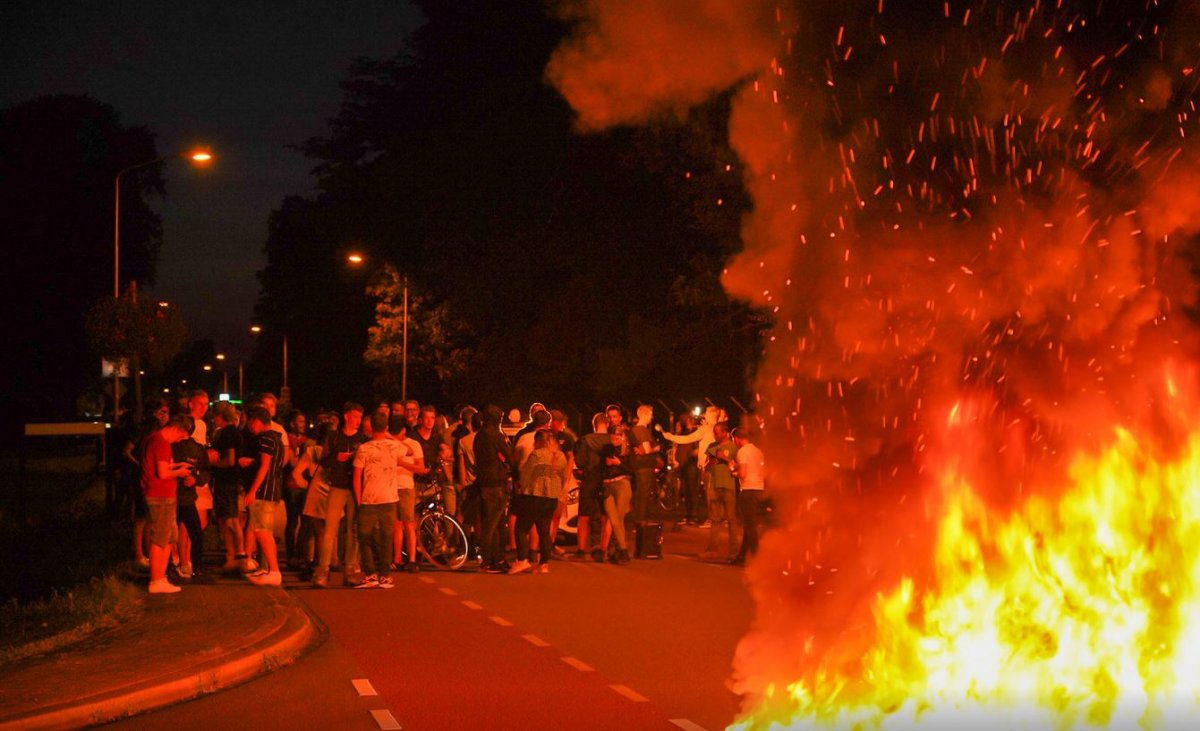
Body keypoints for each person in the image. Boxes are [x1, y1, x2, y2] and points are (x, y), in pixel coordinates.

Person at [313, 402, 367, 588]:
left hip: (355, 489)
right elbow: (324, 461)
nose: (358, 421)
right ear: (346, 417)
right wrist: (337, 458)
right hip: (338, 486)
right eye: (355, 416)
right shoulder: (334, 437)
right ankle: (323, 570)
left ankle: (350, 569)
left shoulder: (362, 439)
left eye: (360, 417)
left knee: (353, 529)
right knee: (330, 529)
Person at [141, 414, 193, 593]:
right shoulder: (161, 442)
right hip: (160, 495)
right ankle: (156, 580)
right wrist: (179, 473)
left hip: (164, 495)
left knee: (169, 537)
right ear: (177, 429)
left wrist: (176, 466)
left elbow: (161, 467)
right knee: (160, 538)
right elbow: (162, 474)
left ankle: (161, 578)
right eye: (181, 436)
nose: (180, 440)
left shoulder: (155, 440)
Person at [352, 411, 405, 589]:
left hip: (369, 498)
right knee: (386, 537)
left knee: (364, 537)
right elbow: (410, 450)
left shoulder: (364, 448)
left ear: (370, 427)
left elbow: (356, 477)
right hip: (390, 498)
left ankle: (370, 573)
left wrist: (359, 501)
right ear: (387, 427)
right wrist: (390, 436)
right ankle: (385, 575)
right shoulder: (393, 446)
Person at [509, 429, 568, 574]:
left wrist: (520, 487)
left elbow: (526, 475)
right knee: (544, 530)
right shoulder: (561, 456)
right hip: (551, 498)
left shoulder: (536, 454)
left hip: (534, 496)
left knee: (521, 528)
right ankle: (544, 563)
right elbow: (563, 476)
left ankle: (522, 560)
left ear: (539, 441)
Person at [244, 406, 286, 586]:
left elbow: (264, 466)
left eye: (249, 422)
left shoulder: (265, 439)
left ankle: (274, 571)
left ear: (255, 421)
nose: (248, 427)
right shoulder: (277, 438)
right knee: (262, 530)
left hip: (264, 492)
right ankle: (270, 570)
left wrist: (253, 490)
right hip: (273, 490)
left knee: (263, 532)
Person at [208, 401, 247, 572]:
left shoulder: (228, 434)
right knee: (226, 519)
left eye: (215, 416)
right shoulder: (235, 433)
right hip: (231, 482)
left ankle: (240, 555)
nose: (214, 420)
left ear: (220, 416)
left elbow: (230, 460)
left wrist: (212, 464)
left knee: (231, 520)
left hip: (227, 482)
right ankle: (232, 556)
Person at [474, 405, 513, 573]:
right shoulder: (495, 435)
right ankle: (489, 560)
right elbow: (510, 456)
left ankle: (497, 558)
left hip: (483, 482)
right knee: (493, 523)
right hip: (496, 483)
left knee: (492, 522)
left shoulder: (479, 436)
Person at [173, 415, 211, 579]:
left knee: (196, 533)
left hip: (187, 498)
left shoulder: (197, 449)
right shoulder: (170, 445)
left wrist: (196, 479)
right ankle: (172, 565)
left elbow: (206, 471)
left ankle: (197, 566)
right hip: (171, 496)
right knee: (169, 534)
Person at [388, 416, 425, 574]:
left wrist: (402, 463)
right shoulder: (389, 443)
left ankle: (411, 559)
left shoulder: (413, 444)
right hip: (390, 486)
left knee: (409, 524)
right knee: (396, 525)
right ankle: (397, 559)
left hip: (406, 486)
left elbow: (420, 467)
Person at [573, 412, 611, 561]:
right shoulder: (612, 440)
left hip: (589, 479)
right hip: (606, 480)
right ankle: (603, 549)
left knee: (583, 517)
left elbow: (580, 462)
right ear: (607, 424)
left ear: (594, 425)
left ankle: (581, 551)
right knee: (606, 517)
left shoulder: (586, 440)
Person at [702, 421, 739, 561]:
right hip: (714, 486)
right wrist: (713, 462)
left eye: (716, 433)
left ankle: (734, 552)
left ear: (724, 433)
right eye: (714, 432)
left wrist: (727, 460)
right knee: (715, 519)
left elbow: (737, 466)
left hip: (728, 486)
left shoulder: (734, 447)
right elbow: (708, 463)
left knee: (731, 519)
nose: (714, 435)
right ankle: (712, 550)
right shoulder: (712, 446)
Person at [600, 424, 633, 563]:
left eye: (618, 434)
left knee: (619, 519)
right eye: (613, 434)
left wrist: (619, 463)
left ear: (623, 436)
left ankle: (622, 551)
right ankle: (620, 550)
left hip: (621, 484)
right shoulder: (605, 449)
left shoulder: (628, 451)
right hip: (607, 484)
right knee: (613, 519)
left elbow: (633, 470)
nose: (615, 437)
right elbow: (599, 466)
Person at [732, 427, 766, 565]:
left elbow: (742, 474)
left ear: (737, 439)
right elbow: (764, 472)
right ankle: (741, 556)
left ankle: (757, 557)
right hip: (759, 489)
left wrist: (734, 471)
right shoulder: (758, 451)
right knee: (750, 524)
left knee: (750, 525)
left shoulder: (742, 452)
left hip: (748, 490)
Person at [282, 410, 312, 569]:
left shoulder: (307, 441)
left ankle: (301, 555)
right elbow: (292, 463)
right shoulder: (288, 439)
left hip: (306, 485)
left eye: (304, 422)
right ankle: (291, 555)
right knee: (293, 520)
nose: (302, 425)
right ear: (292, 423)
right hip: (292, 485)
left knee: (305, 521)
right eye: (299, 421)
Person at [629, 404, 659, 526]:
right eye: (651, 414)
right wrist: (656, 448)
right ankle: (641, 520)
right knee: (644, 493)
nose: (652, 417)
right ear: (645, 415)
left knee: (639, 493)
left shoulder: (634, 430)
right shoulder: (643, 430)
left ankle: (638, 519)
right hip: (645, 466)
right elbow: (647, 450)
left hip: (637, 465)